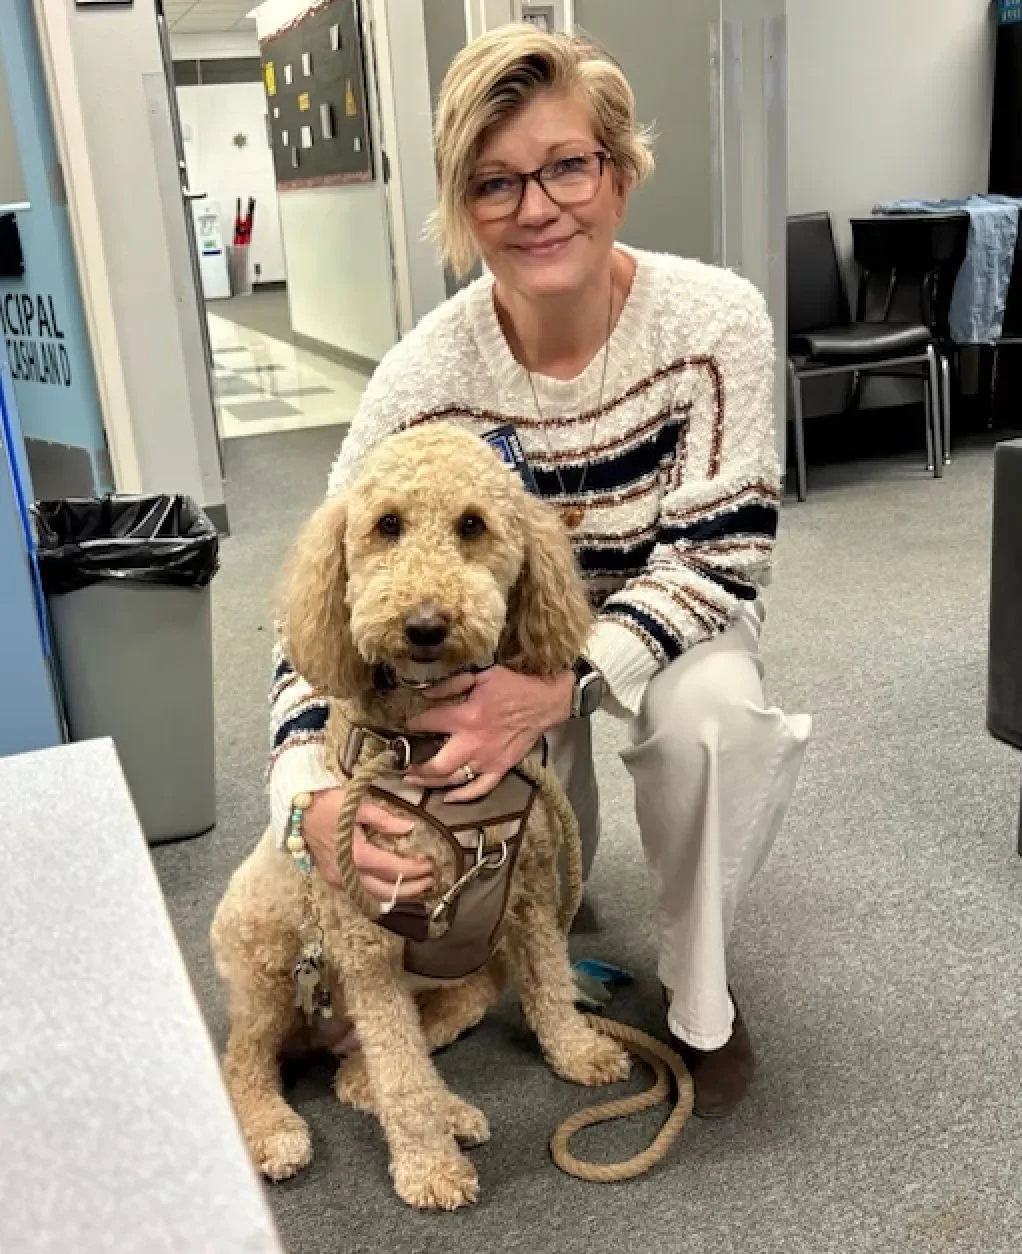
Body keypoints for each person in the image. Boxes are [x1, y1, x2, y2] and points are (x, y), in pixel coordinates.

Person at [268, 24, 810, 1117]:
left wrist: (564, 685)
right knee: (513, 834)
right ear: (461, 210)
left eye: (565, 165)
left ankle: (699, 1004)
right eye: (493, 182)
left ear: (618, 170)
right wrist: (303, 802)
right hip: (497, 634)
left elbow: (722, 552)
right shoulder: (421, 377)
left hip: (667, 616)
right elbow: (326, 594)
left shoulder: (715, 323)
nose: (535, 206)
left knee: (712, 722)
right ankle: (520, 939)